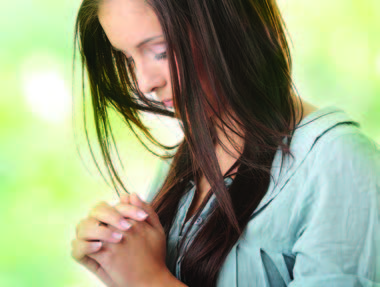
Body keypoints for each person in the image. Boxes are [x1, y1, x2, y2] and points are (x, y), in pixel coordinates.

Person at [70, 0, 380, 286]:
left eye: (160, 52)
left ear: (227, 22)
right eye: (128, 58)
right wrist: (118, 264)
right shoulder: (187, 156)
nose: (144, 83)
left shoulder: (337, 162)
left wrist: (149, 279)